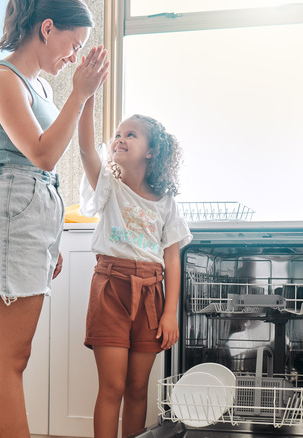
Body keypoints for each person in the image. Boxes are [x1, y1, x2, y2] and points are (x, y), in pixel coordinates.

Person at [0, 0, 109, 437]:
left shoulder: (40, 88)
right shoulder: (1, 79)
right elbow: (41, 153)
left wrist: (51, 239)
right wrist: (80, 91)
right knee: (9, 361)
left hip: (25, 221)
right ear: (46, 28)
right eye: (72, 45)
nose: (74, 57)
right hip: (7, 220)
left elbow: (47, 169)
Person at [78, 103, 192, 437]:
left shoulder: (167, 203)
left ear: (152, 152)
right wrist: (86, 99)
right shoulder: (108, 186)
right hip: (111, 288)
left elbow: (173, 259)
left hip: (151, 296)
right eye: (117, 134)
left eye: (131, 134)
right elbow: (86, 148)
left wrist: (169, 313)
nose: (120, 139)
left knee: (138, 388)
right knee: (112, 386)